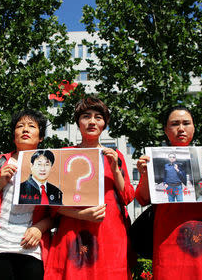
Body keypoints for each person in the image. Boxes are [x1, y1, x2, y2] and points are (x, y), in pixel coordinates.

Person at [135, 106, 202, 280]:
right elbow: (143, 199)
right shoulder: (154, 160)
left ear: (193, 127)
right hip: (169, 235)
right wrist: (144, 174)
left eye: (186, 123)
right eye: (174, 124)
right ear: (166, 130)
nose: (181, 128)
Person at [44, 96, 135, 279]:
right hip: (72, 230)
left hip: (109, 232)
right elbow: (51, 202)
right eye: (86, 116)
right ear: (78, 122)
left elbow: (128, 197)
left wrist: (115, 169)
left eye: (98, 117)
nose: (92, 121)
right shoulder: (64, 155)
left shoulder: (115, 155)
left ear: (104, 123)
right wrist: (80, 214)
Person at [0, 109, 53, 280]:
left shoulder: (50, 165)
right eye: (20, 126)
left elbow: (58, 212)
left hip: (33, 250)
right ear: (14, 135)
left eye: (31, 126)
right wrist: (0, 182)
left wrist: (40, 227)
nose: (25, 130)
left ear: (41, 136)